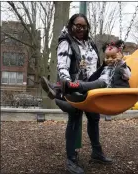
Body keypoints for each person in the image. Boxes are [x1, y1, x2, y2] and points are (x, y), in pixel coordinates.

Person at [42, 13, 113, 174]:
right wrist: (69, 85)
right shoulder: (66, 43)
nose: (81, 29)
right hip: (76, 88)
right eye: (77, 25)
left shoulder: (91, 44)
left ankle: (96, 153)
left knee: (94, 118)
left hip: (91, 88)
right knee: (74, 118)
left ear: (88, 28)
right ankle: (71, 159)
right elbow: (62, 67)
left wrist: (106, 66)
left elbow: (94, 66)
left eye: (84, 26)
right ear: (71, 25)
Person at [42, 40, 131, 96]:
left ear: (120, 55)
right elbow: (93, 78)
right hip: (101, 86)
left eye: (113, 56)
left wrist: (121, 62)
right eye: (107, 57)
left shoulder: (122, 66)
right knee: (82, 83)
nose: (110, 59)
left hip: (111, 89)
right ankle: (57, 89)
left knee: (92, 83)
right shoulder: (105, 67)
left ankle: (67, 86)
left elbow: (127, 75)